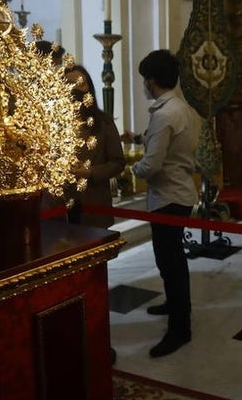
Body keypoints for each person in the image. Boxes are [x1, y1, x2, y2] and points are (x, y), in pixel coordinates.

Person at [133, 50, 200, 358]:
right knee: (170, 261)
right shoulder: (182, 108)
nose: (144, 86)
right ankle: (174, 306)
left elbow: (152, 166)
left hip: (168, 198)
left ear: (151, 81)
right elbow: (166, 146)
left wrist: (131, 166)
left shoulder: (164, 114)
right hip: (179, 193)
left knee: (171, 264)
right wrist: (139, 140)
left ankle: (180, 329)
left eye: (145, 80)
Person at [63, 65, 125, 228]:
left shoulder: (103, 122)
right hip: (61, 205)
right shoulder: (55, 123)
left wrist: (90, 172)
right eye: (70, 84)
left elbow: (118, 163)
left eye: (80, 84)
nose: (75, 89)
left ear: (88, 87)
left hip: (92, 202)